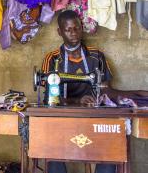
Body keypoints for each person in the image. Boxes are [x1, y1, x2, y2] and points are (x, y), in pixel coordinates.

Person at [41, 10, 148, 173]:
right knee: (52, 146)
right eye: (68, 29)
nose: (73, 33)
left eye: (76, 28)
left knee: (111, 143)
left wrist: (136, 94)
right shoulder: (53, 59)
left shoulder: (96, 56)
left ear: (82, 27)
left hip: (94, 116)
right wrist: (78, 101)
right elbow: (51, 98)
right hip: (62, 118)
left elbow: (106, 90)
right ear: (59, 32)